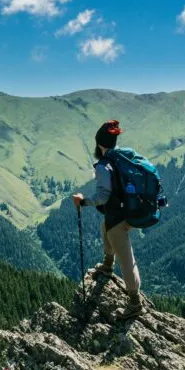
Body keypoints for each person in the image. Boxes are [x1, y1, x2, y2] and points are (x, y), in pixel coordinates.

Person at [72, 120, 144, 320]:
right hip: (128, 211)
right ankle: (107, 264)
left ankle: (135, 302)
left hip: (118, 218)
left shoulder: (105, 166)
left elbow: (103, 197)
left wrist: (83, 201)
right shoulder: (122, 157)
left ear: (99, 144)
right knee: (105, 227)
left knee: (126, 259)